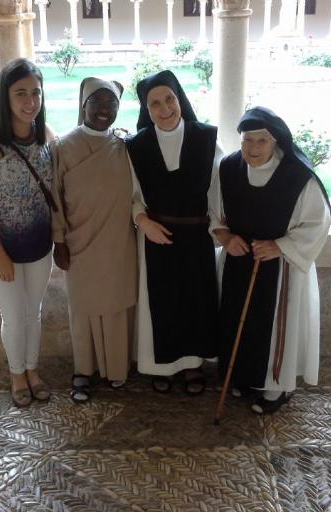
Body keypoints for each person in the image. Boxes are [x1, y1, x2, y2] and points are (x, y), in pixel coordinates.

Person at [213, 106, 331, 414]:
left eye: (261, 141)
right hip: (239, 262)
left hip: (281, 269)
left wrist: (280, 246)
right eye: (247, 140)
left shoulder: (297, 176)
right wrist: (226, 238)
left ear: (276, 141)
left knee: (275, 328)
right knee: (236, 319)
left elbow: (317, 224)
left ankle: (276, 388)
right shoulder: (228, 168)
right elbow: (214, 212)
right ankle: (241, 375)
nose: (253, 148)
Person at [126, 70, 224, 395]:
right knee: (161, 302)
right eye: (155, 103)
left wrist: (218, 228)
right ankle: (160, 366)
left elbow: (218, 191)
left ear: (180, 97)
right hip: (156, 236)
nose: (165, 108)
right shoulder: (136, 146)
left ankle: (193, 365)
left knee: (196, 299)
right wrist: (142, 220)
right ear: (146, 108)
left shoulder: (207, 137)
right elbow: (131, 193)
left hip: (197, 237)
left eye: (170, 98)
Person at [0, 58, 56, 408]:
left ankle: (33, 369)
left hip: (39, 244)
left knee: (33, 312)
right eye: (20, 93)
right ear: (5, 97)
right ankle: (16, 373)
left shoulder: (47, 137)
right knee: (13, 315)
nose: (29, 101)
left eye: (35, 92)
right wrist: (1, 254)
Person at [51, 77, 137, 403]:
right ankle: (83, 371)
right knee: (83, 308)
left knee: (115, 307)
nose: (104, 109)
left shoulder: (126, 144)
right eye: (97, 102)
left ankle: (117, 370)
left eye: (111, 103)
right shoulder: (63, 146)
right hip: (78, 243)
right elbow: (55, 198)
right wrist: (59, 240)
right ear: (83, 105)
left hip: (118, 243)